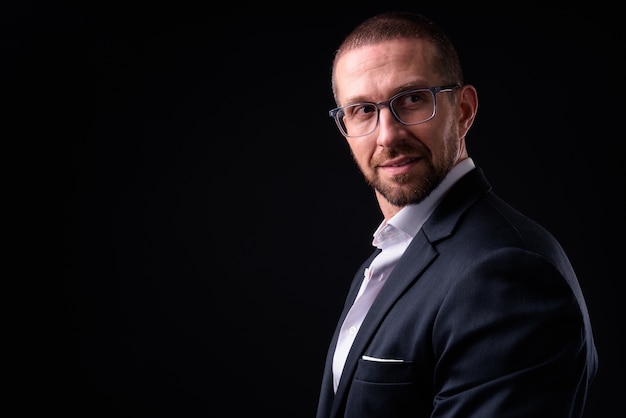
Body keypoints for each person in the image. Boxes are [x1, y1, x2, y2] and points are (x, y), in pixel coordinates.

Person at [316, 11, 598, 418]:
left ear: (463, 110)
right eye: (362, 110)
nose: (387, 134)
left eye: (412, 99)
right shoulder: (389, 257)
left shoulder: (505, 270)